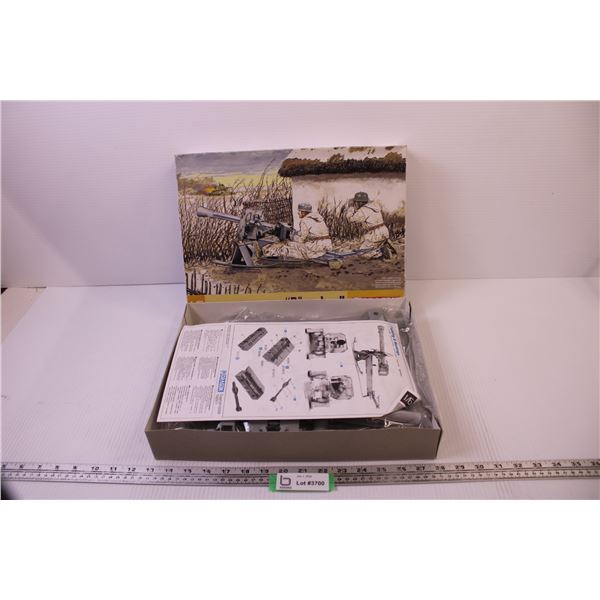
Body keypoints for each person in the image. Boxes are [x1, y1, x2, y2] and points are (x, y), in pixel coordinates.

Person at [262, 202, 332, 259]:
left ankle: (269, 254)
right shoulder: (319, 219)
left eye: (299, 211)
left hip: (313, 248)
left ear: (303, 212)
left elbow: (300, 240)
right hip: (325, 246)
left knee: (286, 245)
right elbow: (312, 234)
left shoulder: (304, 220)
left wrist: (291, 236)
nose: (298, 213)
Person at [345, 192, 393, 259]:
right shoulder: (374, 206)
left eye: (356, 202)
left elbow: (350, 219)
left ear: (359, 202)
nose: (355, 204)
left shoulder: (363, 210)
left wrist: (351, 209)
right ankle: (383, 245)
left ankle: (380, 252)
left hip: (375, 234)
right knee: (369, 244)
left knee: (362, 254)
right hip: (384, 231)